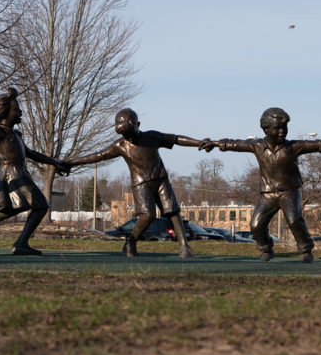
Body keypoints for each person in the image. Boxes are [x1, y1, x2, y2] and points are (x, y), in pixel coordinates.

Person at [205, 108, 321, 262]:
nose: (282, 132)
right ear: (266, 129)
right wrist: (214, 143)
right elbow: (234, 144)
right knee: (256, 225)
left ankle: (306, 250)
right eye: (277, 128)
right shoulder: (257, 146)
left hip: (289, 192)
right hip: (268, 194)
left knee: (294, 220)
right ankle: (266, 249)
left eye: (284, 127)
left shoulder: (293, 147)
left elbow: (319, 144)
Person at [61, 108, 210, 259]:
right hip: (141, 184)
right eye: (125, 135)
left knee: (173, 212)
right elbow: (98, 155)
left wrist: (199, 143)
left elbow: (176, 139)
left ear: (138, 125)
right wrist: (71, 162)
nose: (129, 138)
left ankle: (184, 246)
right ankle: (130, 243)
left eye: (130, 134)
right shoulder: (120, 145)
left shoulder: (152, 137)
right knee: (147, 215)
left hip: (160, 179)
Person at [0, 87, 69, 256]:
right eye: (16, 110)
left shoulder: (14, 134)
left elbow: (31, 153)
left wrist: (55, 163)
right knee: (40, 205)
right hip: (11, 174)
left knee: (18, 206)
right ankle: (20, 243)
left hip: (20, 172)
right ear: (4, 112)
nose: (20, 113)